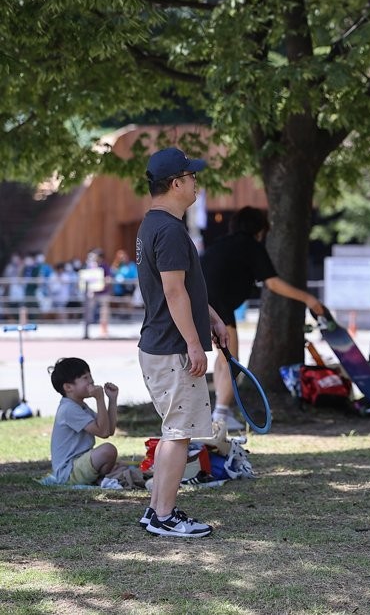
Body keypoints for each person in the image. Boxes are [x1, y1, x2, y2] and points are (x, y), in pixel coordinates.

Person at [136, 147, 228, 538]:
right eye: (191, 177)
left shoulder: (153, 224)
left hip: (159, 343)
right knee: (179, 432)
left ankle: (156, 508)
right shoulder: (170, 231)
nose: (196, 183)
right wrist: (193, 342)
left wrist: (210, 316)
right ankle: (164, 515)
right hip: (171, 347)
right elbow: (173, 293)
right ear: (176, 184)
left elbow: (183, 289)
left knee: (175, 428)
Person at [201, 206, 325, 428]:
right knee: (231, 360)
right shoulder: (251, 246)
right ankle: (220, 414)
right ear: (260, 229)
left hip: (202, 303)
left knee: (223, 358)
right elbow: (272, 283)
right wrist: (309, 299)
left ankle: (220, 411)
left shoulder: (222, 244)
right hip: (219, 305)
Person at [49, 357, 126, 485]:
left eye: (90, 376)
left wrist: (112, 400)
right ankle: (101, 478)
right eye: (85, 378)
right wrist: (99, 399)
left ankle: (100, 477)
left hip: (77, 465)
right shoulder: (68, 409)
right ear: (68, 387)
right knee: (108, 450)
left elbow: (109, 430)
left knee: (112, 456)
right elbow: (103, 432)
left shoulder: (80, 405)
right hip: (68, 472)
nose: (91, 381)